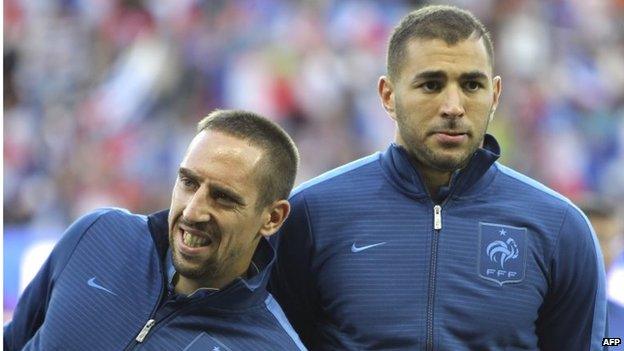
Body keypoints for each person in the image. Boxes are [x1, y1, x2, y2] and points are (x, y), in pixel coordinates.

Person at [270, 5, 607, 350]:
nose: (453, 106)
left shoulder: (560, 228)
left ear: (495, 95)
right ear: (388, 95)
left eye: (472, 85)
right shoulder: (311, 215)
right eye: (431, 84)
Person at [5, 109, 306, 350]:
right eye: (188, 182)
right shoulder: (99, 234)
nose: (192, 211)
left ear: (273, 218)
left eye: (223, 197)